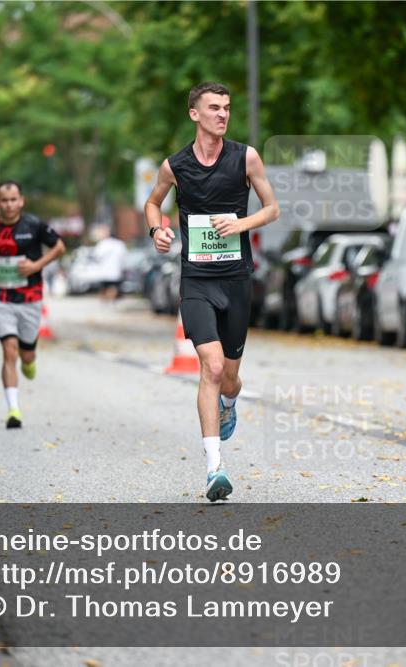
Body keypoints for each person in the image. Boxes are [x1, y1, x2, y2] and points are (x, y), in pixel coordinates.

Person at [144, 81, 280, 502]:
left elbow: (272, 208)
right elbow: (153, 203)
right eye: (214, 108)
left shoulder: (246, 157)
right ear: (194, 114)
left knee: (231, 380)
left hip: (236, 280)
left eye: (227, 108)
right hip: (197, 281)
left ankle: (229, 404)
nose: (222, 114)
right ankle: (214, 468)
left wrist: (241, 224)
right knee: (213, 367)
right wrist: (156, 230)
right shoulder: (175, 166)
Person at [0, 181, 65, 429]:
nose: (9, 205)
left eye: (13, 199)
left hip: (30, 297)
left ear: (21, 201)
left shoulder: (34, 225)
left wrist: (36, 266)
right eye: (4, 200)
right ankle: (13, 410)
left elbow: (59, 247)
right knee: (9, 350)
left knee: (26, 354)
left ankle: (29, 361)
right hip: (0, 296)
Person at [91, 225, 128, 302]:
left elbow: (96, 257)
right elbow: (124, 257)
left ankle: (106, 302)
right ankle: (111, 301)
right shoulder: (119, 244)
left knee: (104, 288)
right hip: (115, 271)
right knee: (113, 288)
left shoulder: (102, 244)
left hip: (103, 272)